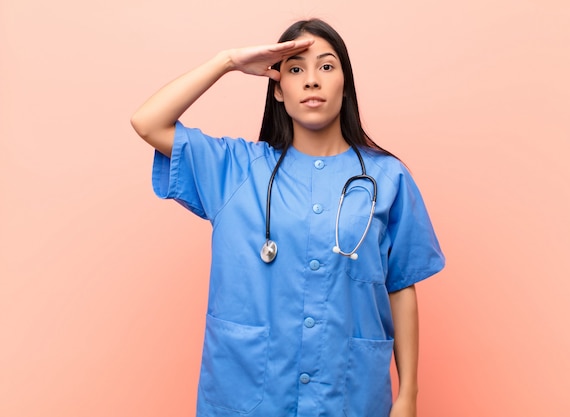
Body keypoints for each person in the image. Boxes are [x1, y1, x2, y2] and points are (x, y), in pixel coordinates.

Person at [131, 18, 444, 417]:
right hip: (247, 395)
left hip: (349, 395)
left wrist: (408, 395)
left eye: (326, 67)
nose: (312, 81)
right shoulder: (235, 169)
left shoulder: (388, 178)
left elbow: (401, 287)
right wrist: (226, 61)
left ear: (344, 84)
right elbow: (147, 121)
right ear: (278, 89)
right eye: (295, 69)